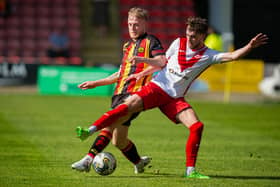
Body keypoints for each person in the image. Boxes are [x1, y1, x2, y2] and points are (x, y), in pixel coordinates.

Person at [75, 17, 268, 178]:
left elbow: (233, 56)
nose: (189, 38)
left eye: (193, 35)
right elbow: (162, 63)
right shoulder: (178, 43)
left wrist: (250, 46)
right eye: (188, 34)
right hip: (158, 88)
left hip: (174, 99)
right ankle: (91, 129)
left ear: (202, 36)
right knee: (127, 105)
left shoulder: (209, 55)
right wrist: (142, 74)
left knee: (197, 126)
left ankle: (190, 171)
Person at [71, 7, 166, 174]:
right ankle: (139, 162)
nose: (132, 28)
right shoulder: (127, 45)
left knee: (108, 125)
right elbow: (121, 73)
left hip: (136, 95)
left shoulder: (151, 41)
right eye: (130, 24)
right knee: (118, 141)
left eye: (136, 24)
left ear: (145, 24)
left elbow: (161, 61)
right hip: (118, 94)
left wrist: (141, 59)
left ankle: (87, 160)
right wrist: (96, 83)